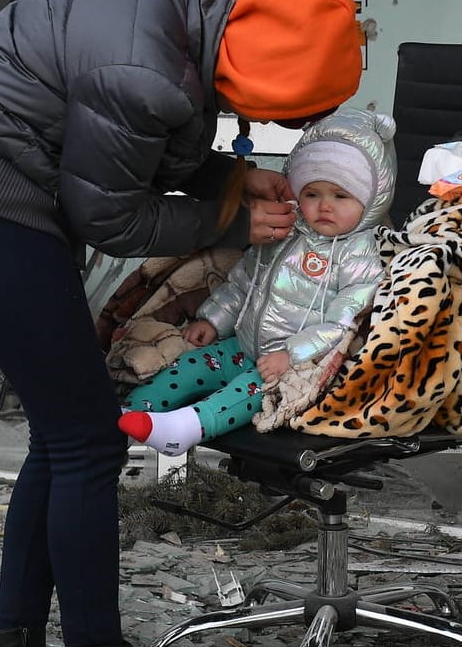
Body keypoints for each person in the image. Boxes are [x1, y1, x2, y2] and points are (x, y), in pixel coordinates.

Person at [0, 0, 363, 647]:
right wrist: (226, 221)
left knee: (62, 438)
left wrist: (229, 178)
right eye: (281, 116)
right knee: (86, 441)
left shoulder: (181, 6)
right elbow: (111, 214)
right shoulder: (150, 72)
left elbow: (130, 147)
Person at [117, 109, 395, 455]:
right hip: (244, 345)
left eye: (340, 196)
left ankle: (183, 428)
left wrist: (291, 355)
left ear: (369, 200)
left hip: (293, 366)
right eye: (312, 194)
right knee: (191, 364)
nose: (324, 206)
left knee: (242, 395)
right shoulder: (285, 229)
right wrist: (213, 320)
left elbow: (343, 324)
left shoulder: (359, 255)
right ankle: (133, 412)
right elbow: (244, 281)